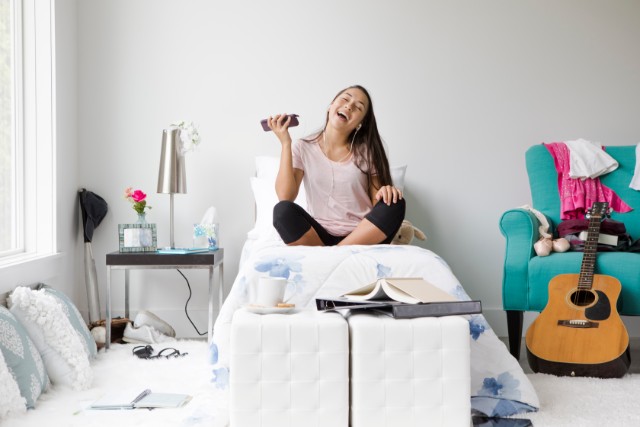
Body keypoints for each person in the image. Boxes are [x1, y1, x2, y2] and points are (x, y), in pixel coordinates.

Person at [267, 84, 405, 246]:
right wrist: (285, 144)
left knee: (395, 203)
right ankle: (338, 252)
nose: (349, 106)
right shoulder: (303, 147)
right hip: (318, 236)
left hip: (361, 237)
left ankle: (336, 252)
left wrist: (386, 191)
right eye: (345, 99)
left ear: (360, 123)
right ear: (330, 107)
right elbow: (285, 196)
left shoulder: (367, 152)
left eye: (358, 107)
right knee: (282, 211)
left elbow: (378, 206)